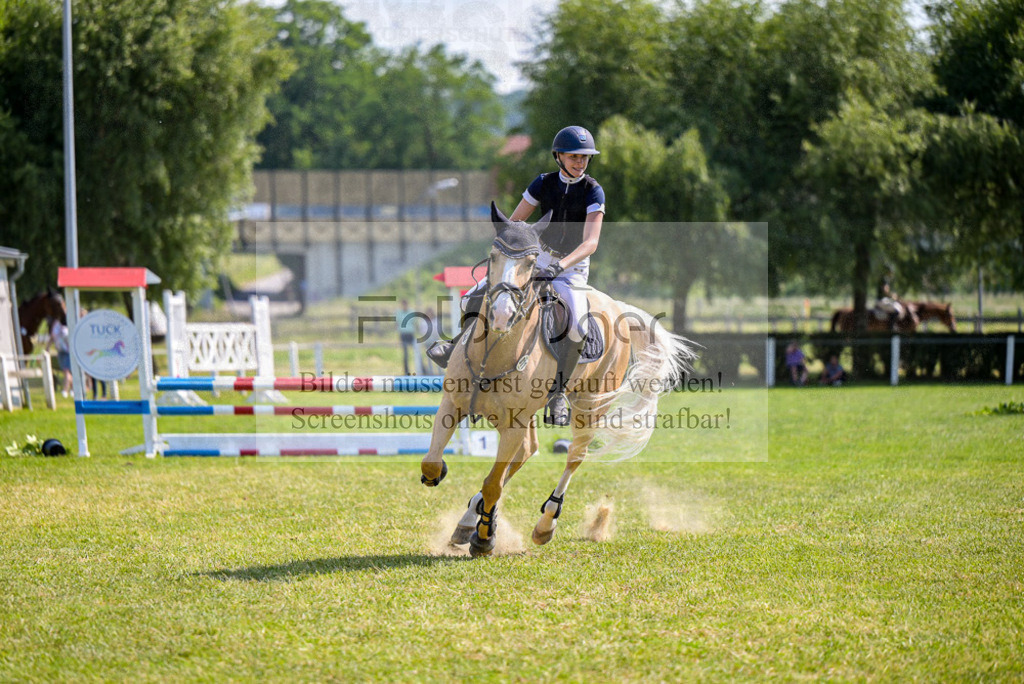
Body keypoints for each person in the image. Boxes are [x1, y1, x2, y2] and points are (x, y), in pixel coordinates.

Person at [427, 125, 606, 426]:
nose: (580, 163)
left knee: (576, 323)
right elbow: (514, 224)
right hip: (535, 259)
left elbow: (591, 242)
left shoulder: (593, 190)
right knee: (474, 295)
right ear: (559, 156)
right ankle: (455, 344)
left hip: (572, 267)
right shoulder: (543, 183)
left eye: (585, 158)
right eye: (574, 157)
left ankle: (558, 394)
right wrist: (509, 256)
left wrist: (559, 267)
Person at [46, 317, 72, 398]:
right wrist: (48, 347)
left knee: (66, 371)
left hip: (68, 352)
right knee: (66, 371)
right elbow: (52, 336)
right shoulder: (56, 324)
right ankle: (73, 389)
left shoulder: (69, 323)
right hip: (60, 351)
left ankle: (65, 390)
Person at [395, 299, 418, 376]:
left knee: (417, 353)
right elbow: (397, 324)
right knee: (405, 354)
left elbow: (414, 323)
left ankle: (422, 368)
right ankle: (406, 371)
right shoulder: (398, 313)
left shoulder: (411, 312)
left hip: (410, 334)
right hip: (403, 334)